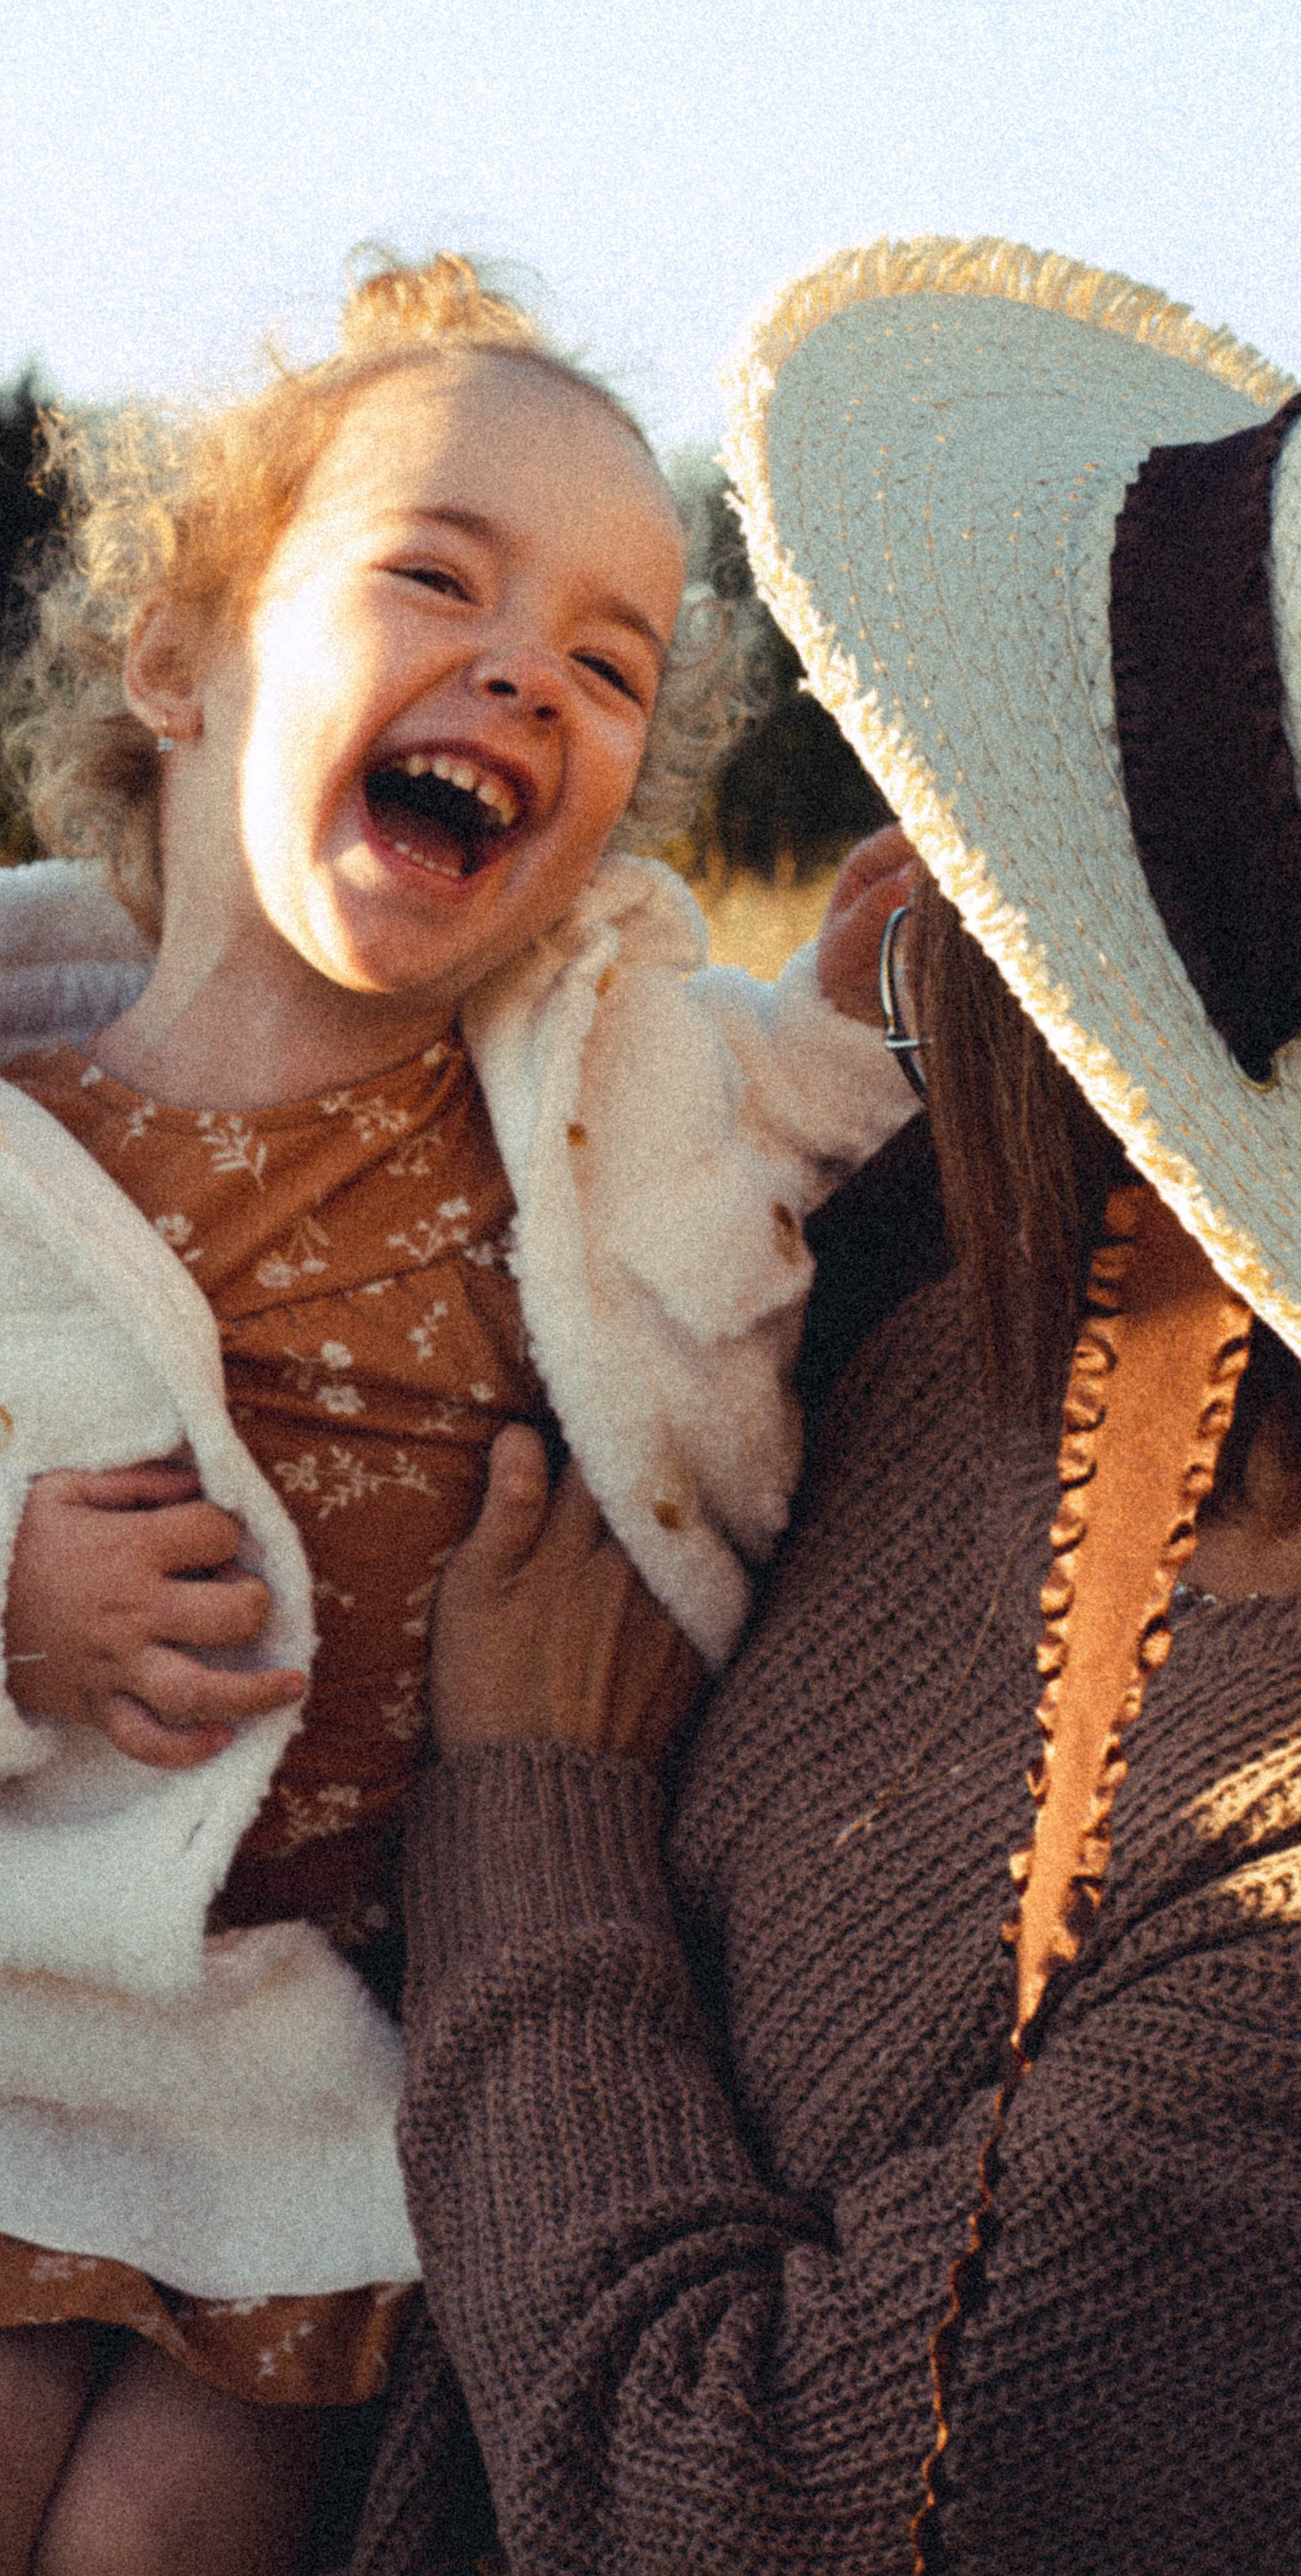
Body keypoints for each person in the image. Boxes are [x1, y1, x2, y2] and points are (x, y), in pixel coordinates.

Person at [0, 255, 911, 2576]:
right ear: (177, 656)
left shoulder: (604, 1100)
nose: (525, 670)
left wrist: (894, 978)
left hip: (343, 2078)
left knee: (169, 2540)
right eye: (434, 577)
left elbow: (805, 1107)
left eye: (609, 664)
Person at [348, 237, 1301, 2576]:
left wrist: (533, 1805)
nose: (937, 852)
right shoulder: (975, 1280)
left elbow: (739, 2503)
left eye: (1003, 819)